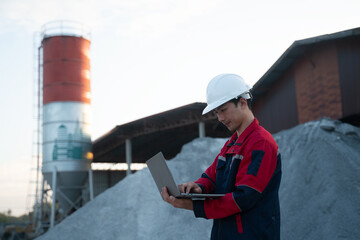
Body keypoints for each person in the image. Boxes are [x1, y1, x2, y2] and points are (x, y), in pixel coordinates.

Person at [161, 73, 282, 240]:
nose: (220, 118)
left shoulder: (261, 143)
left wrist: (193, 205)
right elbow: (211, 177)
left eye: (223, 110)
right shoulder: (232, 144)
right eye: (217, 112)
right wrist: (197, 187)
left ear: (242, 102)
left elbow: (243, 198)